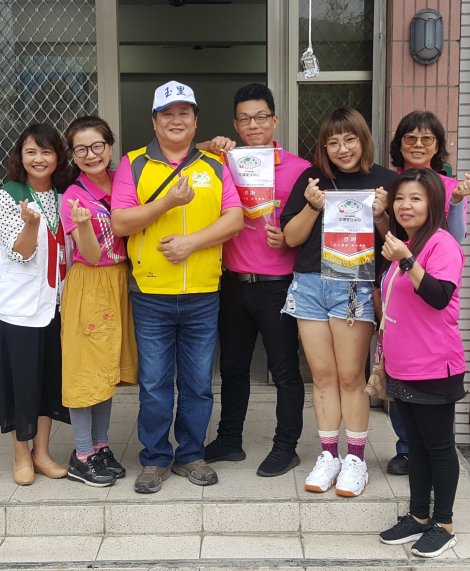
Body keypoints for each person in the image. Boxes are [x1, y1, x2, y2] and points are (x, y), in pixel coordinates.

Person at [111, 80, 243, 494]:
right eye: (167, 113)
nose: (176, 120)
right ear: (154, 121)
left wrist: (191, 243)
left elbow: (235, 218)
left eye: (184, 112)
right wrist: (168, 202)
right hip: (151, 294)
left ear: (195, 120)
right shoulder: (133, 164)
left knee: (198, 383)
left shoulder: (214, 165)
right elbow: (120, 222)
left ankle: (190, 453)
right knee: (154, 384)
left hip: (203, 293)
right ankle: (154, 459)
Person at [280, 107, 396, 497]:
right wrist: (313, 205)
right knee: (323, 376)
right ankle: (329, 454)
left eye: (349, 139)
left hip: (355, 287)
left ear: (363, 139)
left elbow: (398, 244)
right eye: (333, 142)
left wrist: (381, 216)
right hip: (310, 284)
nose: (342, 149)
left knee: (350, 377)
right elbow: (292, 238)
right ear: (324, 147)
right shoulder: (312, 179)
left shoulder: (385, 181)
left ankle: (356, 460)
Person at [197, 83, 311, 477]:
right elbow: (184, 160)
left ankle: (286, 447)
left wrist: (291, 237)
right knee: (232, 368)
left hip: (278, 284)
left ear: (274, 120)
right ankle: (230, 440)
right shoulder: (223, 161)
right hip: (232, 282)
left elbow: (315, 225)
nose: (253, 125)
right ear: (235, 124)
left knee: (284, 371)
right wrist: (210, 145)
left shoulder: (299, 168)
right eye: (244, 119)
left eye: (261, 117)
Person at [378, 168, 465, 558]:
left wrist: (407, 260)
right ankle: (417, 516)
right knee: (416, 446)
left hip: (434, 367)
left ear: (433, 203)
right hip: (402, 366)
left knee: (439, 447)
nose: (405, 205)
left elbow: (439, 296)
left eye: (415, 198)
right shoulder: (406, 243)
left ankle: (444, 524)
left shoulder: (441, 244)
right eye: (399, 198)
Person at [384, 111, 470, 476]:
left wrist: (457, 202)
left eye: (427, 139)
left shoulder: (449, 187)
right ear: (400, 143)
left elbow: (456, 237)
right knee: (397, 364)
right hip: (392, 272)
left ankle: (418, 453)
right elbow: (391, 231)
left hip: (422, 272)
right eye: (411, 138)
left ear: (438, 145)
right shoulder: (388, 182)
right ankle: (407, 446)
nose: (418, 145)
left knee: (423, 366)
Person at [0, 123, 71, 486]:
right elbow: (21, 251)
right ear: (20, 156)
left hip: (56, 305)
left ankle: (42, 453)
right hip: (19, 309)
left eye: (46, 152)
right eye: (31, 152)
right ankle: (21, 454)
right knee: (21, 384)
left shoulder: (64, 196)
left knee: (48, 381)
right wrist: (31, 224)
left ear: (58, 157)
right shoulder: (7, 197)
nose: (39, 159)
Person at [60, 116, 138, 487]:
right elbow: (90, 255)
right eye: (81, 149)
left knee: (106, 370)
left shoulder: (124, 179)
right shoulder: (73, 197)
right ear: (72, 155)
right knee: (84, 371)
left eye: (97, 146)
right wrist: (83, 224)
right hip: (90, 284)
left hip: (119, 281)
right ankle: (81, 454)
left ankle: (100, 445)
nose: (91, 155)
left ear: (109, 146)